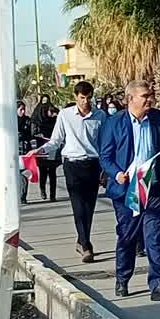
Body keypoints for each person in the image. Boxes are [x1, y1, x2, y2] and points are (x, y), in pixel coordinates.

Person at [98, 79, 160, 301]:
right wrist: (116, 173)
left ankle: (158, 285)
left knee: (154, 238)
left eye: (150, 95)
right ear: (130, 99)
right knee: (127, 236)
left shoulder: (157, 119)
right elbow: (105, 156)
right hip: (128, 190)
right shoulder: (114, 122)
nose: (150, 99)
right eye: (145, 96)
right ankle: (122, 278)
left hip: (154, 187)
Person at [33, 82, 108, 262]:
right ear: (75, 97)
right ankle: (86, 245)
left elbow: (105, 143)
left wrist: (106, 169)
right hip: (72, 165)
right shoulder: (65, 115)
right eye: (82, 98)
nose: (85, 101)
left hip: (93, 164)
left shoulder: (100, 116)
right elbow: (56, 140)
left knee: (89, 207)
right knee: (78, 205)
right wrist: (40, 150)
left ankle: (82, 240)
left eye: (88, 98)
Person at [31, 99, 59, 202]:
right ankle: (42, 191)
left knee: (52, 172)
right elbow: (33, 133)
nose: (52, 114)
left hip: (52, 148)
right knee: (43, 172)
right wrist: (39, 135)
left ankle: (53, 195)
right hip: (41, 147)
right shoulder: (38, 120)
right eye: (50, 112)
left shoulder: (55, 121)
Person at [17, 102, 35, 205]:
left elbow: (31, 134)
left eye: (24, 109)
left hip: (24, 151)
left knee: (24, 173)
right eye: (21, 109)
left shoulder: (27, 121)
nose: (23, 112)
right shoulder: (11, 120)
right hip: (14, 151)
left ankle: (23, 196)